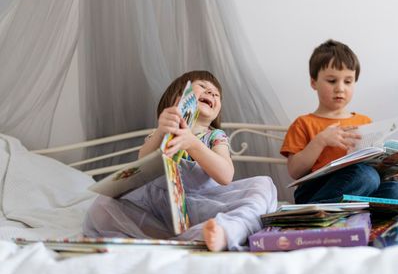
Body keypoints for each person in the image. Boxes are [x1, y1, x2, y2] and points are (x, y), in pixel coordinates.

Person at [83, 70, 277, 251]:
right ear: (180, 96)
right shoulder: (161, 132)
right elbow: (143, 159)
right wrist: (161, 130)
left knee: (261, 188)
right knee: (103, 204)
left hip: (206, 205)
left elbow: (226, 176)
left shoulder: (215, 136)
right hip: (161, 207)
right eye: (203, 86)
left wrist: (193, 144)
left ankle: (225, 232)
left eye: (217, 94)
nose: (212, 92)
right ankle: (170, 239)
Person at [280, 39, 398, 204]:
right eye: (332, 81)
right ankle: (314, 211)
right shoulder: (303, 123)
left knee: (397, 190)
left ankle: (359, 218)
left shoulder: (364, 122)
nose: (340, 88)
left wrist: (397, 168)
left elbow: (374, 168)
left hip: (361, 189)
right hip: (316, 191)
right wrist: (320, 141)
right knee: (366, 176)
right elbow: (295, 171)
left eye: (348, 81)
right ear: (313, 82)